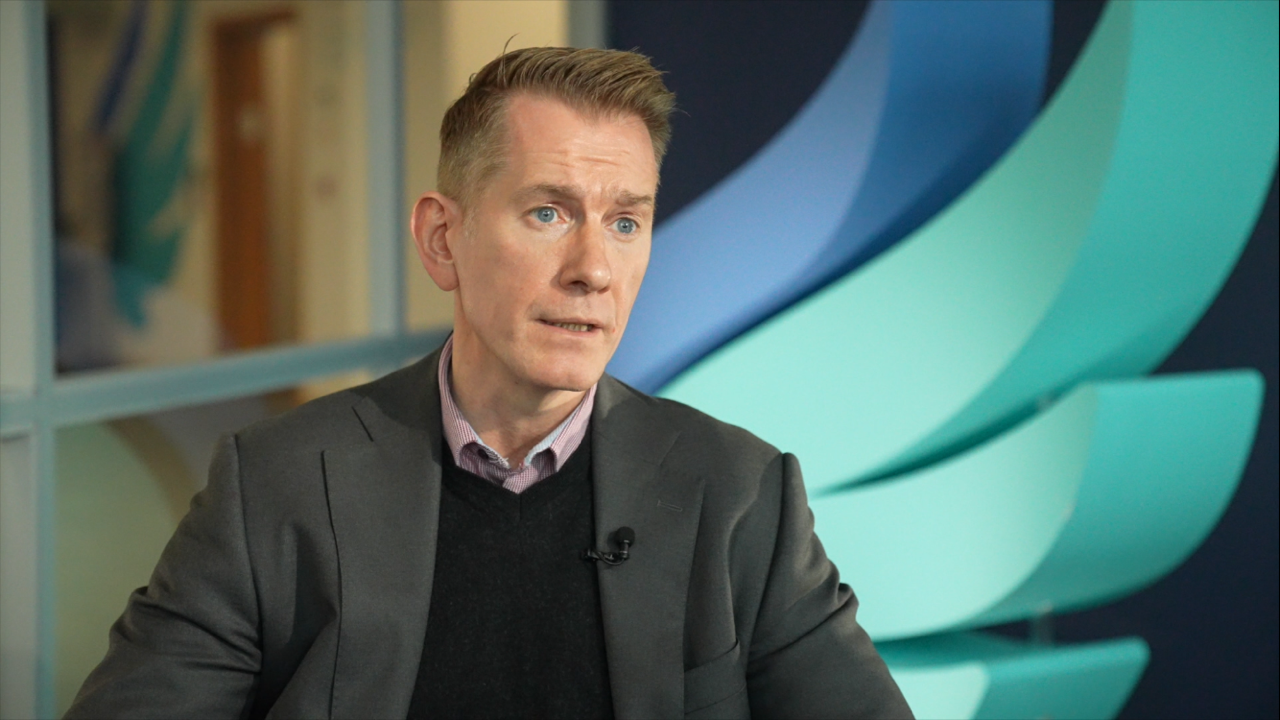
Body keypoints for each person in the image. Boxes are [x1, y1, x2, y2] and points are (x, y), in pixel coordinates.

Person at [67, 47, 912, 719]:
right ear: (442, 239)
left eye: (625, 222)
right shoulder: (276, 486)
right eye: (547, 213)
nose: (593, 269)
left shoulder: (739, 496)